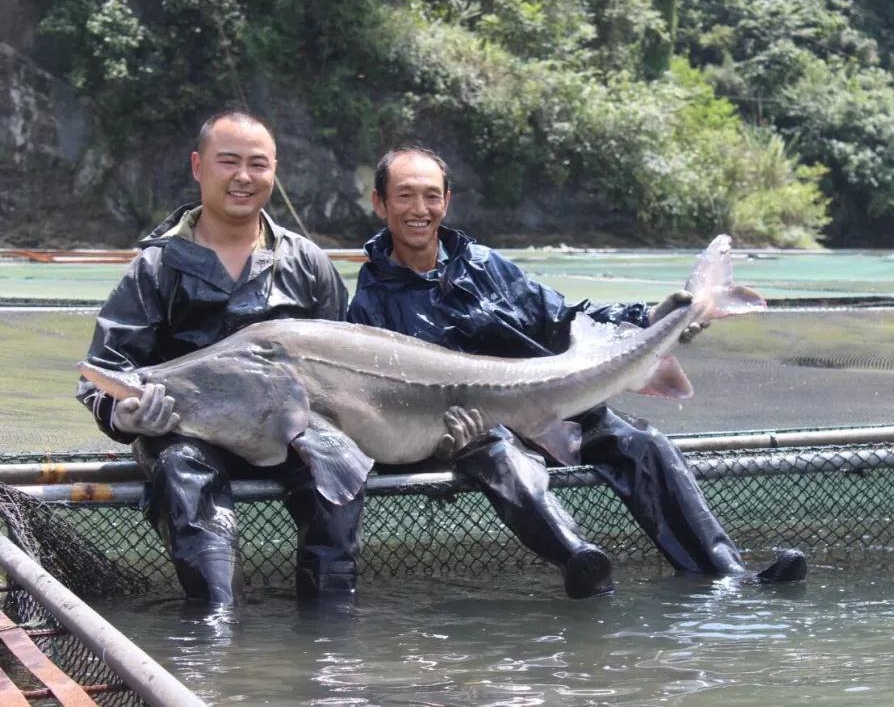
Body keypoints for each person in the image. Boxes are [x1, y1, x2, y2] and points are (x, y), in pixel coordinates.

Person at [347, 146, 806, 598]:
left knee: (641, 443)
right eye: (405, 196)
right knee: (502, 455)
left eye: (431, 196)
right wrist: (438, 447)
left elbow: (565, 318)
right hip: (478, 431)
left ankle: (728, 574)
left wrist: (648, 317)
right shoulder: (369, 307)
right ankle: (582, 563)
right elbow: (380, 415)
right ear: (380, 203)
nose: (419, 209)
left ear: (446, 201)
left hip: (552, 400)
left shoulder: (484, 266)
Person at [76, 110, 364, 607]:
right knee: (182, 469)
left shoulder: (307, 263)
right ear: (198, 167)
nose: (243, 177)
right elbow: (105, 373)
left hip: (291, 434)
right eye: (228, 161)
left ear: (274, 171)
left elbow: (349, 366)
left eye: (258, 164)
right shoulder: (156, 267)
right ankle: (216, 634)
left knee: (336, 478)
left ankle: (328, 642)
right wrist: (123, 414)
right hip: (189, 438)